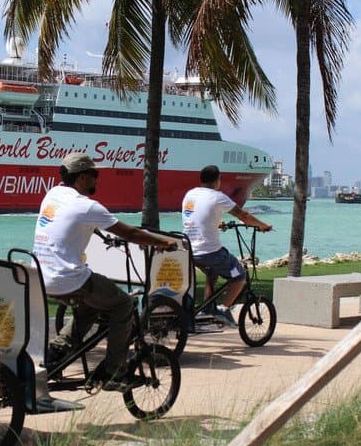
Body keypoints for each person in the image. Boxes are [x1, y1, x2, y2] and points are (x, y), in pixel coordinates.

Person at [33, 152, 180, 391]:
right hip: (66, 279)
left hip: (41, 275)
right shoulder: (87, 206)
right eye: (94, 175)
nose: (97, 180)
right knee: (123, 304)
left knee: (92, 303)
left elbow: (69, 226)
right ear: (81, 177)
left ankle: (59, 348)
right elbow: (130, 233)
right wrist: (164, 242)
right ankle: (114, 373)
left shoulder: (53, 194)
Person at [181, 165, 272, 326]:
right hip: (209, 253)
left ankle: (207, 308)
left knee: (212, 274)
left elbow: (198, 218)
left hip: (188, 250)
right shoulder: (217, 197)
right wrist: (262, 225)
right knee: (239, 275)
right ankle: (224, 309)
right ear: (218, 180)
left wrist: (217, 223)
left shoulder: (190, 194)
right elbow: (243, 215)